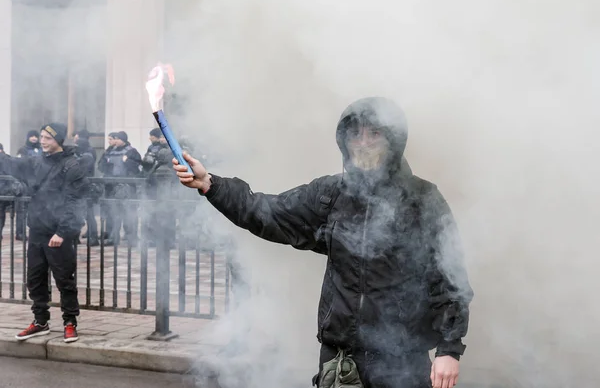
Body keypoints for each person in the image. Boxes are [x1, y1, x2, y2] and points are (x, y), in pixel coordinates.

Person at [172, 97, 473, 388]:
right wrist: (210, 184)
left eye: (375, 133)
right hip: (341, 363)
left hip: (401, 363)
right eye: (356, 134)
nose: (364, 142)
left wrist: (449, 349)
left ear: (394, 140)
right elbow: (265, 211)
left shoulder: (422, 200)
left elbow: (450, 278)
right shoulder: (330, 195)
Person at [11, 123, 87, 343]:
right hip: (37, 230)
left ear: (59, 140)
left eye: (48, 138)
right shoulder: (36, 161)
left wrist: (62, 232)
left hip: (58, 234)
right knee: (35, 279)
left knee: (64, 280)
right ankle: (40, 321)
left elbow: (75, 202)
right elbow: (13, 165)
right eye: (42, 136)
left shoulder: (72, 165)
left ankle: (70, 322)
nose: (43, 140)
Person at [98, 131, 142, 246]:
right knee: (113, 212)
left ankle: (131, 236)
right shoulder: (109, 151)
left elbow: (137, 168)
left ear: (123, 140)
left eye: (117, 139)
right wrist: (107, 166)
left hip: (127, 184)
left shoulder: (132, 151)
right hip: (112, 184)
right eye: (114, 139)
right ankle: (113, 236)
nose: (115, 141)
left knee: (129, 212)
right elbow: (101, 165)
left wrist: (127, 161)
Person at [15, 130, 42, 240]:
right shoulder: (23, 149)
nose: (34, 138)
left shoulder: (41, 149)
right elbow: (20, 164)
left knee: (37, 209)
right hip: (25, 182)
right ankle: (20, 233)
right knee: (22, 210)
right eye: (32, 136)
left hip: (38, 183)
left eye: (36, 136)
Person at [74, 130, 99, 246]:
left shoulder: (87, 155)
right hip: (77, 186)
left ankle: (93, 237)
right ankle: (75, 236)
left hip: (85, 186)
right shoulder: (79, 154)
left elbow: (82, 169)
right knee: (76, 213)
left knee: (88, 213)